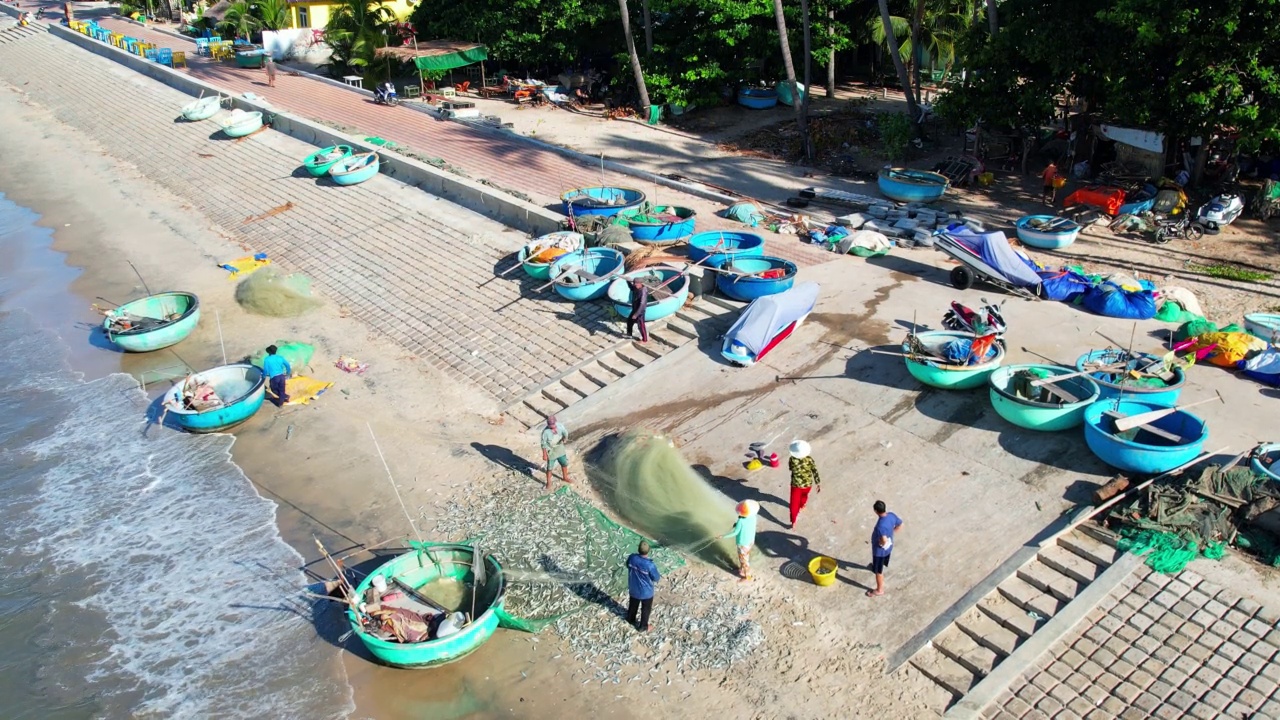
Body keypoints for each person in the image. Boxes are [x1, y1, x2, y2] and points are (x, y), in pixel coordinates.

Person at [868, 500, 903, 597]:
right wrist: (890, 534)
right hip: (889, 547)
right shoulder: (891, 515)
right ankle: (875, 566)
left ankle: (879, 590)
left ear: (875, 511)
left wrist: (882, 542)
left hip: (880, 552)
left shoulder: (880, 526)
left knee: (878, 572)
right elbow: (900, 524)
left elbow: (883, 539)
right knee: (881, 562)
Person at [625, 540, 661, 631]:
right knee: (646, 609)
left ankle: (630, 619)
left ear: (638, 549)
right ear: (648, 551)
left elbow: (627, 565)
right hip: (646, 592)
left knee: (633, 604)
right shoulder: (650, 565)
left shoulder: (632, 558)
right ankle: (643, 626)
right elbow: (656, 578)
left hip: (633, 588)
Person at [787, 440, 821, 528]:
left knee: (794, 503)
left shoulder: (792, 459)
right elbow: (814, 471)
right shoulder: (809, 459)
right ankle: (802, 505)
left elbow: (790, 468)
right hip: (807, 484)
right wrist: (818, 483)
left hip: (796, 485)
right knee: (804, 495)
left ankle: (793, 520)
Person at [723, 500, 759, 582]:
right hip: (750, 541)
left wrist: (723, 536)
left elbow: (735, 532)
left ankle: (747, 577)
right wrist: (737, 525)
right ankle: (742, 570)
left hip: (743, 543)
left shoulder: (741, 521)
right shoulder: (753, 517)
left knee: (744, 561)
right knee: (746, 557)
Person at [540, 415, 571, 489]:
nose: (552, 426)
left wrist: (565, 438)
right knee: (549, 467)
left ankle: (565, 477)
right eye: (550, 425)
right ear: (548, 425)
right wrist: (544, 454)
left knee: (564, 463)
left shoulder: (560, 426)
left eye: (553, 424)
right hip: (551, 450)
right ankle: (548, 482)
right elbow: (543, 444)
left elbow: (565, 433)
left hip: (560, 448)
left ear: (555, 422)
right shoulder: (545, 432)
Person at [626, 277, 649, 343]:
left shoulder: (643, 291)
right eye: (634, 284)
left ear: (640, 284)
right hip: (635, 308)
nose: (634, 285)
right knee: (629, 321)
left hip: (640, 311)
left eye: (636, 284)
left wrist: (636, 314)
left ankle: (645, 340)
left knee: (641, 326)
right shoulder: (636, 287)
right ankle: (629, 334)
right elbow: (631, 288)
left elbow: (642, 305)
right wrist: (627, 281)